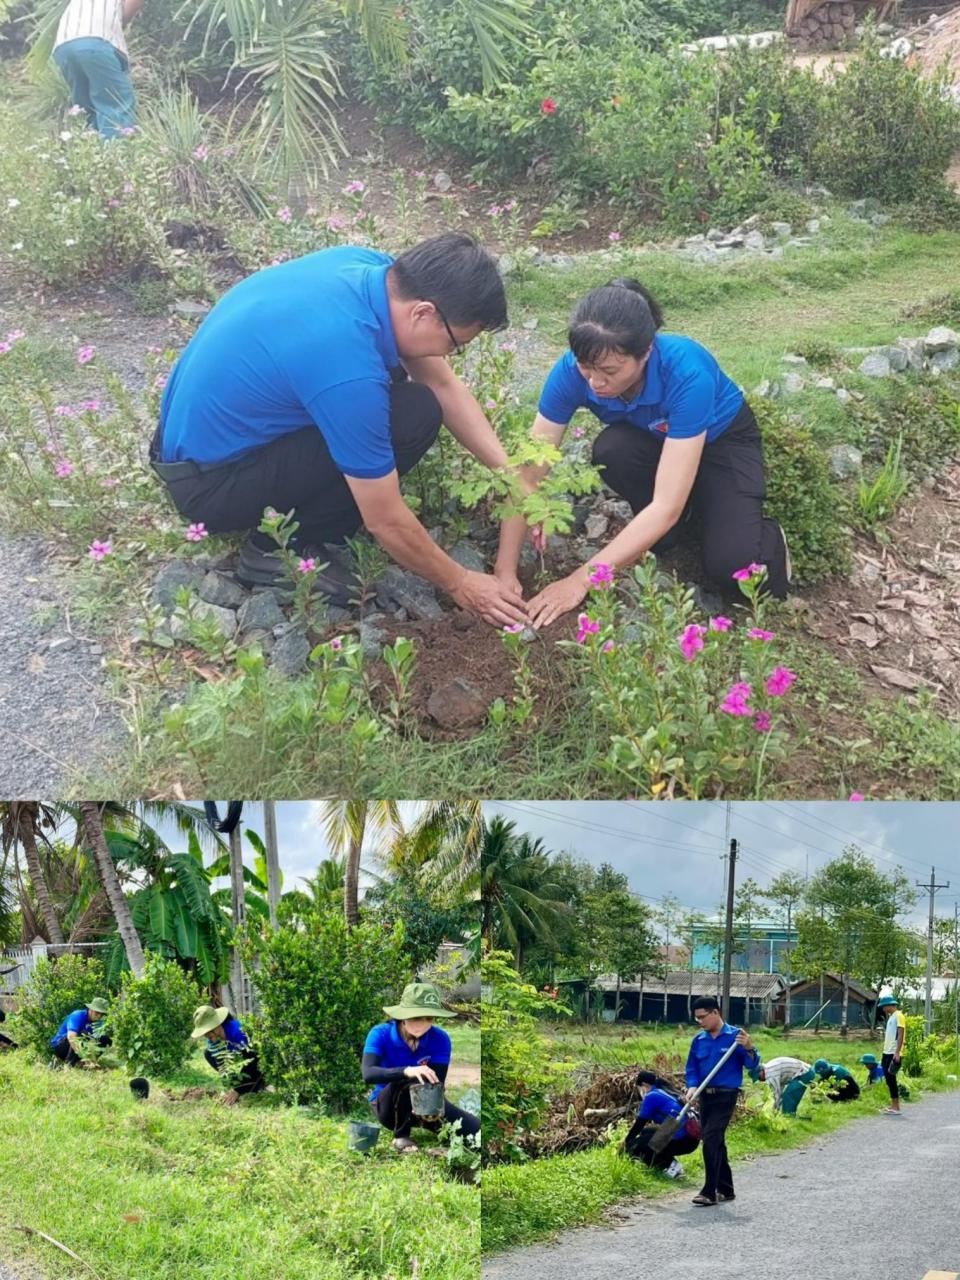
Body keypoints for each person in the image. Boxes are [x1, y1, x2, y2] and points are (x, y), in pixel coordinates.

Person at [152, 234, 531, 628]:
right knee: (410, 416)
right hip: (211, 487)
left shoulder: (370, 270)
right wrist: (462, 582)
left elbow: (442, 384)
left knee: (405, 391)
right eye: (456, 344)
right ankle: (276, 548)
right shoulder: (347, 367)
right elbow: (384, 518)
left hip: (189, 443)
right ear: (423, 313)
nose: (448, 355)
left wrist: (510, 475)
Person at [495, 278, 790, 629]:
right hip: (654, 438)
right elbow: (527, 473)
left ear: (646, 352)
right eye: (586, 368)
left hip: (721, 444)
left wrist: (579, 581)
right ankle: (684, 522)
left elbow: (665, 505)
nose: (594, 383)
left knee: (734, 566)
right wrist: (505, 569)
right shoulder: (572, 372)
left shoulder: (687, 373)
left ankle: (765, 537)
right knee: (612, 450)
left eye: (609, 372)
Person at [362, 982, 479, 1154]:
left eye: (429, 1018)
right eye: (416, 1017)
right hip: (388, 1107)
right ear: (403, 1016)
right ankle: (401, 1135)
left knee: (476, 1132)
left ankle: (430, 1124)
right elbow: (368, 1073)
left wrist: (440, 1117)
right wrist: (406, 1070)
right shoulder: (380, 1034)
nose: (422, 1024)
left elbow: (437, 1083)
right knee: (410, 1078)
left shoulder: (440, 1038)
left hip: (425, 1103)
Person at [685, 995, 761, 1207]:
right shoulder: (698, 1040)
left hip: (726, 1095)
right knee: (715, 1141)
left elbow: (753, 1065)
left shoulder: (736, 1037)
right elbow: (692, 1068)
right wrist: (692, 1086)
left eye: (702, 1017)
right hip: (704, 1095)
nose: (700, 1022)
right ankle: (726, 1189)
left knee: (710, 1138)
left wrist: (749, 1048)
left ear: (715, 1012)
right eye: (697, 1018)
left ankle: (709, 1191)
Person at [53, 0, 144, 139]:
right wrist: (121, 21)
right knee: (115, 105)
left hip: (64, 42)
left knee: (85, 109)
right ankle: (117, 156)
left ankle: (89, 153)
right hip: (96, 38)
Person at [624, 1069, 699, 1178]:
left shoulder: (651, 1096)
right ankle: (672, 1165)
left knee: (635, 1146)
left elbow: (639, 1123)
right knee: (646, 1133)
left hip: (682, 1140)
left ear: (644, 1085)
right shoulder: (664, 1092)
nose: (640, 1092)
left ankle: (669, 1167)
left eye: (639, 1088)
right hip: (689, 1139)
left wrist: (627, 1141)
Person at [190, 1005, 266, 1095]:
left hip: (260, 1061)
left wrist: (238, 1090)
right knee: (209, 1054)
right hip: (239, 1062)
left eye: (209, 1030)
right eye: (204, 1032)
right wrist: (230, 1085)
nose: (207, 1035)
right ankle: (240, 1086)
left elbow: (254, 1060)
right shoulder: (213, 1040)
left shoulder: (238, 1032)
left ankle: (257, 1085)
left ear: (217, 1024)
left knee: (251, 1059)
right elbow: (223, 1066)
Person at [781, 1058, 860, 1115]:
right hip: (837, 1089)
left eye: (822, 1073)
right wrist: (815, 1090)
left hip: (850, 1091)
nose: (821, 1074)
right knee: (817, 1085)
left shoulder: (838, 1071)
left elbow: (836, 1088)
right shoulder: (824, 1074)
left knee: (827, 1088)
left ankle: (847, 1099)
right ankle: (818, 1101)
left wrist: (825, 1094)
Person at [50, 998, 110, 1067]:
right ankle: (68, 1064)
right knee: (81, 1034)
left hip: (77, 1048)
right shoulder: (77, 1015)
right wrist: (85, 1057)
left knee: (105, 1039)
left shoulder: (98, 1022)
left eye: (102, 1014)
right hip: (61, 1046)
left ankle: (85, 1063)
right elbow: (71, 1037)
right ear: (91, 1009)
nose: (99, 1016)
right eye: (97, 1012)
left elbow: (93, 1040)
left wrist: (92, 1058)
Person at [877, 994, 906, 1115]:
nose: (883, 1009)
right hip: (887, 1052)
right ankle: (893, 1105)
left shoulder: (899, 1016)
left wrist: (897, 1052)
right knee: (889, 1080)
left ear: (889, 1005)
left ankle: (896, 1107)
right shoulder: (891, 1017)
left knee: (891, 1079)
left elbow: (900, 1034)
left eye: (884, 1007)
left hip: (893, 1053)